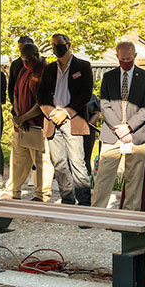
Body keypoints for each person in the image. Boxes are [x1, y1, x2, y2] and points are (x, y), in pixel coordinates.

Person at [91, 41, 145, 210]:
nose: (126, 62)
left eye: (129, 58)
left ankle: (130, 213)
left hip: (137, 134)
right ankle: (96, 211)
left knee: (134, 178)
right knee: (103, 175)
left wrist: (129, 127)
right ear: (117, 56)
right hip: (113, 133)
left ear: (135, 56)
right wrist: (119, 128)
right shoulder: (109, 77)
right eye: (122, 59)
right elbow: (104, 105)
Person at [38, 33, 93, 206]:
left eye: (59, 44)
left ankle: (84, 203)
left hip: (73, 120)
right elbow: (40, 95)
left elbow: (85, 94)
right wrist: (51, 113)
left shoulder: (83, 66)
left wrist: (66, 112)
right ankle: (67, 199)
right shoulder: (49, 68)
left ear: (69, 45)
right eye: (53, 45)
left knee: (77, 162)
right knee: (59, 163)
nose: (56, 48)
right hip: (53, 120)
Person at [7, 43, 52, 201]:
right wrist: (19, 115)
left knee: (41, 161)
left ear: (35, 56)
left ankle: (41, 194)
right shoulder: (23, 71)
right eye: (23, 60)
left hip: (38, 126)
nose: (25, 63)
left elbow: (43, 102)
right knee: (18, 160)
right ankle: (13, 191)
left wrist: (23, 117)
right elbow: (15, 94)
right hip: (21, 125)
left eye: (28, 60)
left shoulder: (45, 71)